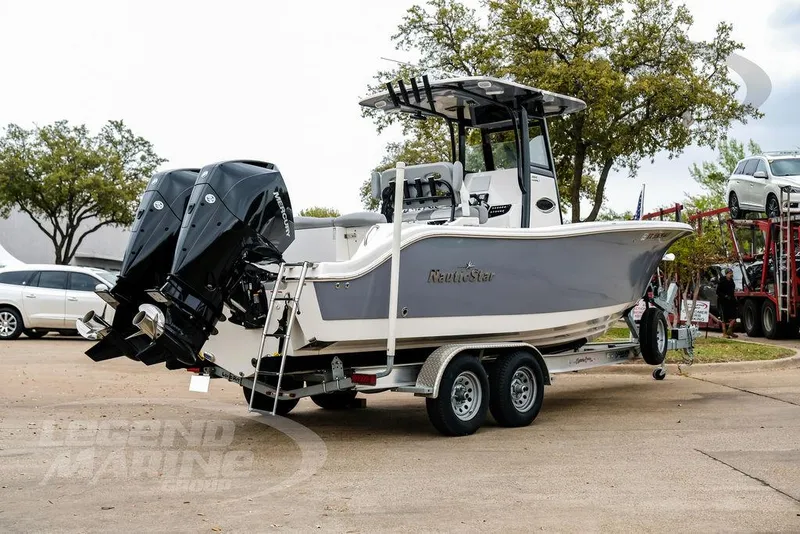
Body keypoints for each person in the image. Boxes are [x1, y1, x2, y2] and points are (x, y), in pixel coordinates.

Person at [716, 267, 738, 338]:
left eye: (732, 273)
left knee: (734, 317)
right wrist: (725, 296)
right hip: (723, 302)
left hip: (731, 301)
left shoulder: (731, 281)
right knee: (724, 318)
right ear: (726, 274)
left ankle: (730, 330)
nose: (731, 274)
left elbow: (732, 291)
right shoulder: (722, 281)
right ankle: (724, 333)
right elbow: (718, 291)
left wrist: (734, 299)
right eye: (730, 273)